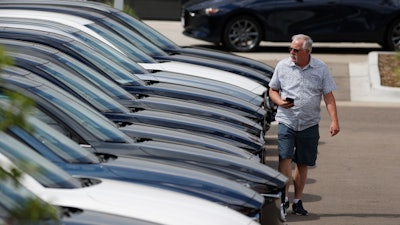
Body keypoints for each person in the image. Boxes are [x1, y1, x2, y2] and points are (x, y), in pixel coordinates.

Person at [268, 34, 340, 216]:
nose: (292, 52)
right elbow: (272, 89)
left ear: (307, 51)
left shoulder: (321, 68)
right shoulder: (282, 66)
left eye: (296, 50)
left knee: (303, 163)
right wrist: (280, 102)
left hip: (309, 123)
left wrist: (334, 121)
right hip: (287, 120)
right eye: (290, 49)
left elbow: (328, 96)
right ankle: (284, 198)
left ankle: (297, 201)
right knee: (284, 158)